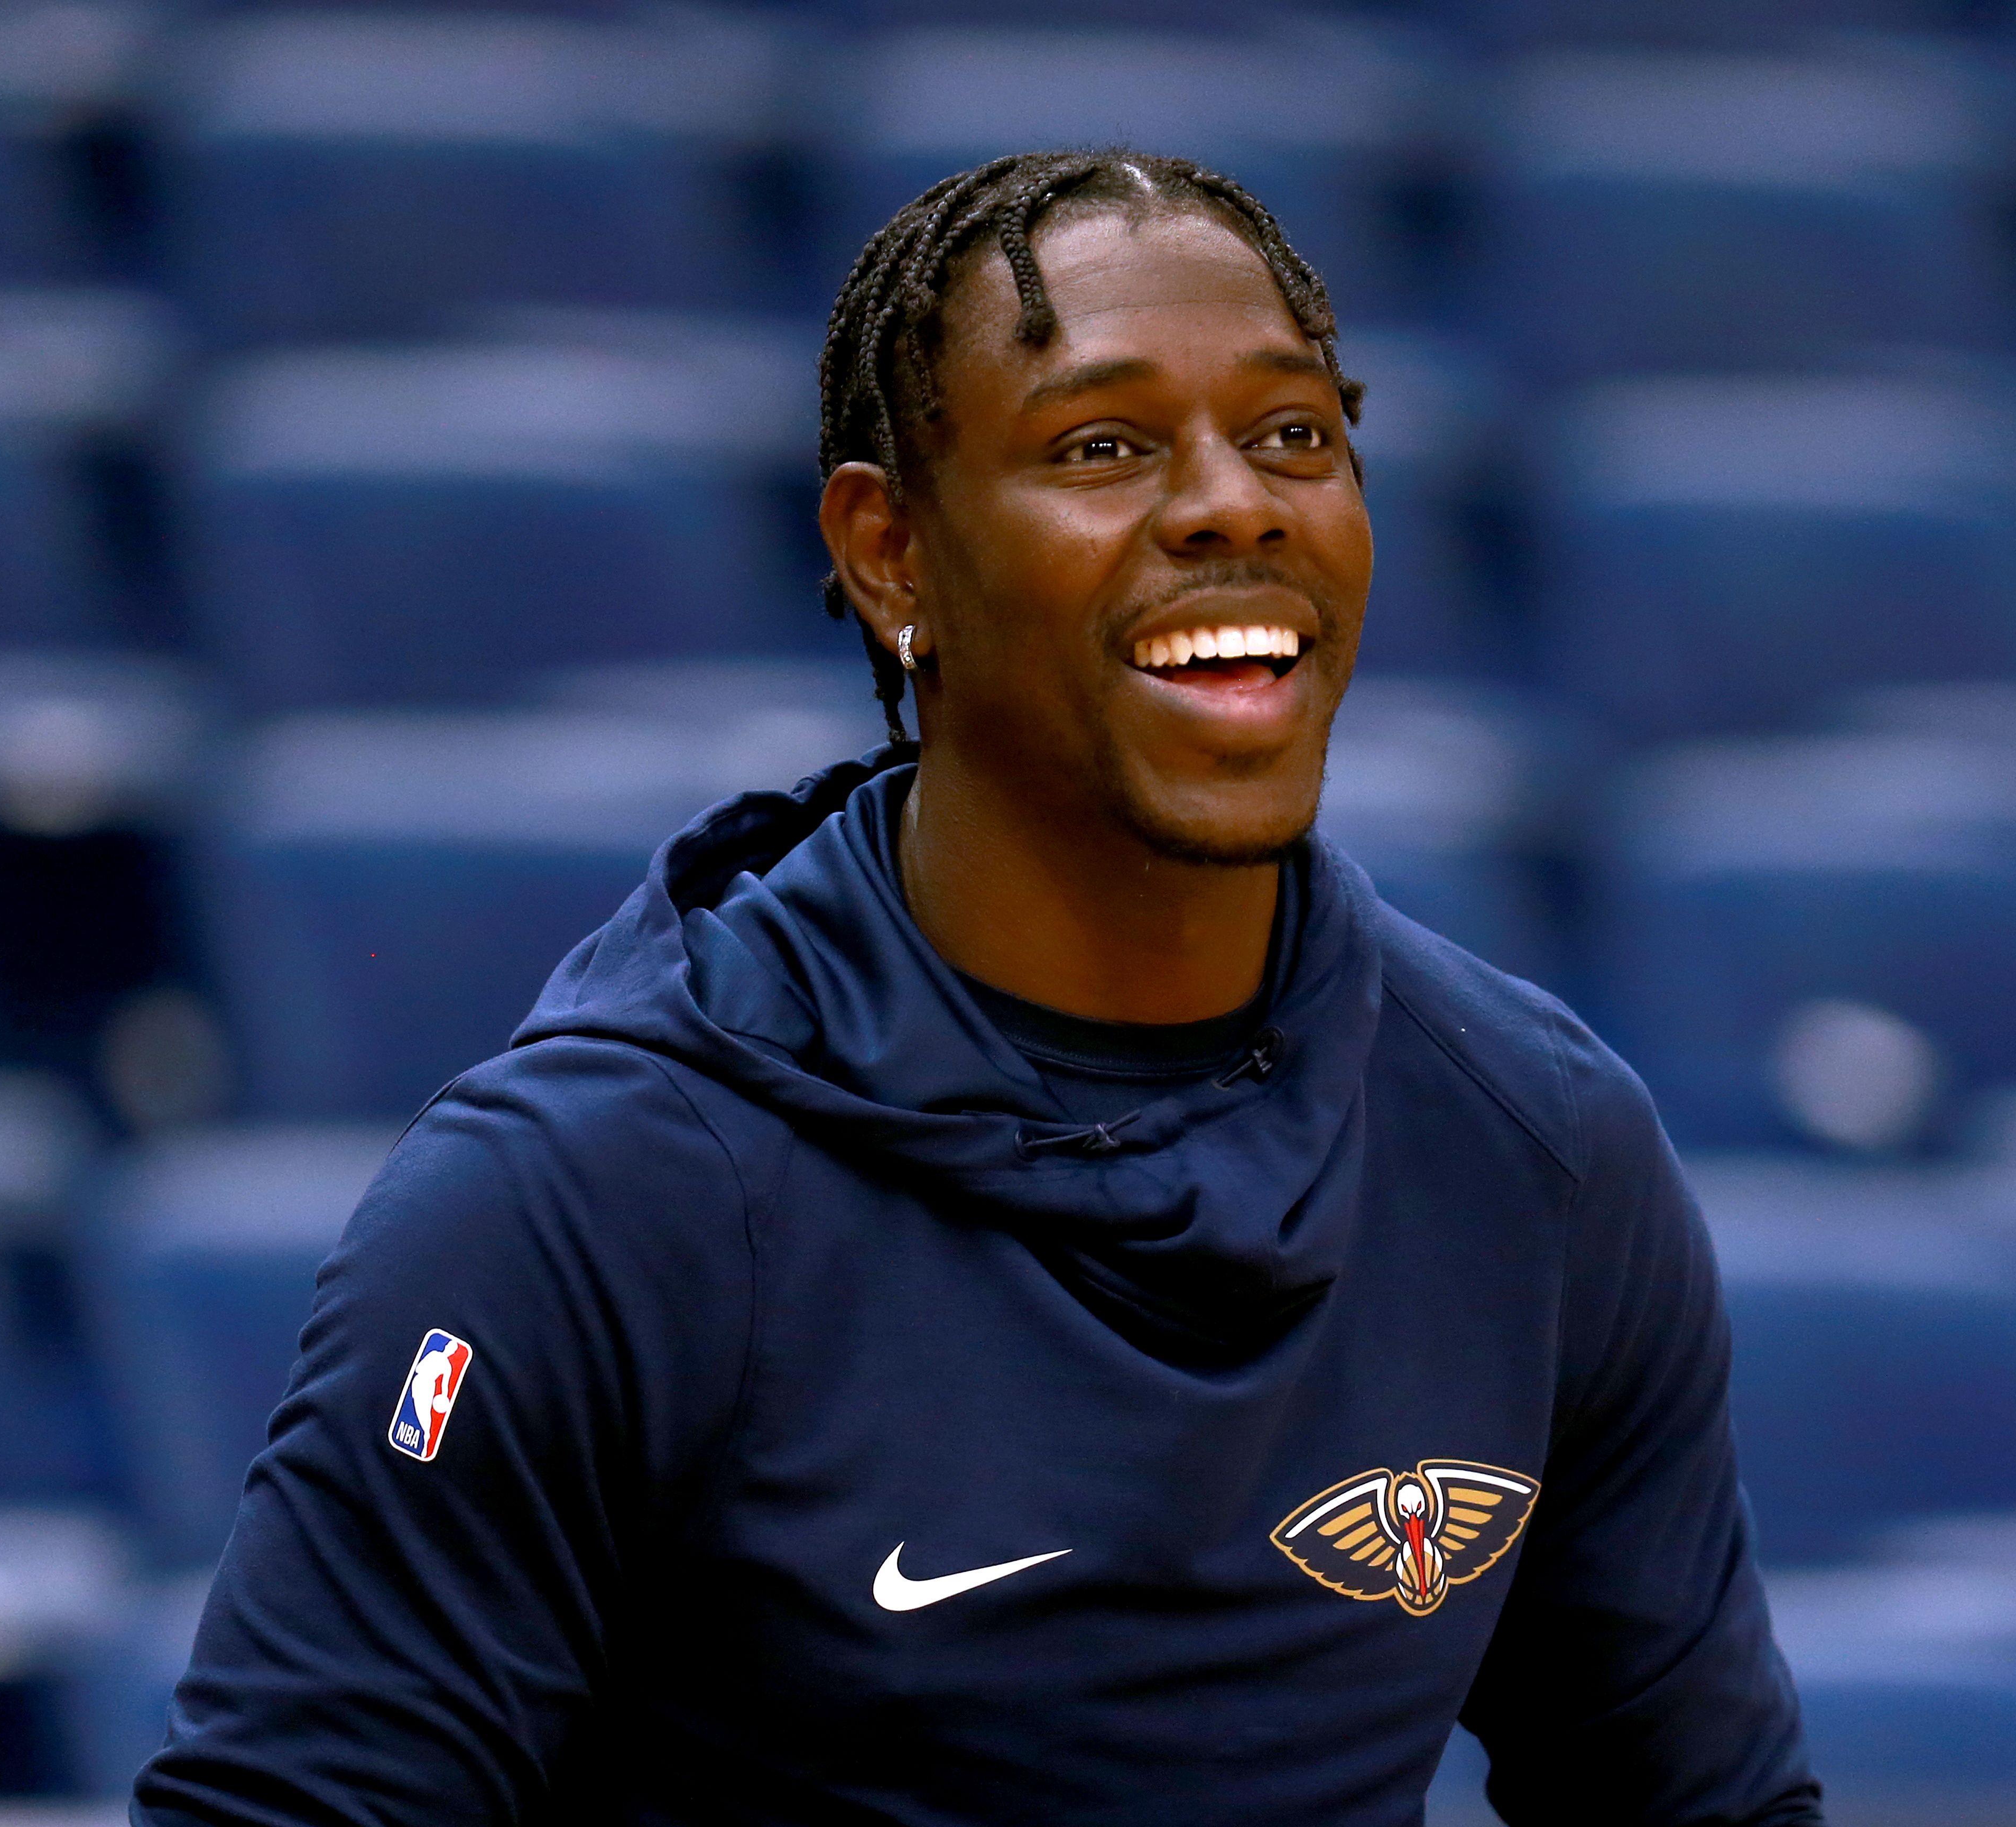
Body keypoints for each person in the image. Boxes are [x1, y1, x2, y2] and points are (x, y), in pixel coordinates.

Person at [134, 149, 1823, 1826]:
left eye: (1295, 435)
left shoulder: (1537, 1151)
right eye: (1103, 447)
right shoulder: (583, 1199)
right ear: (891, 556)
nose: (1237, 502)